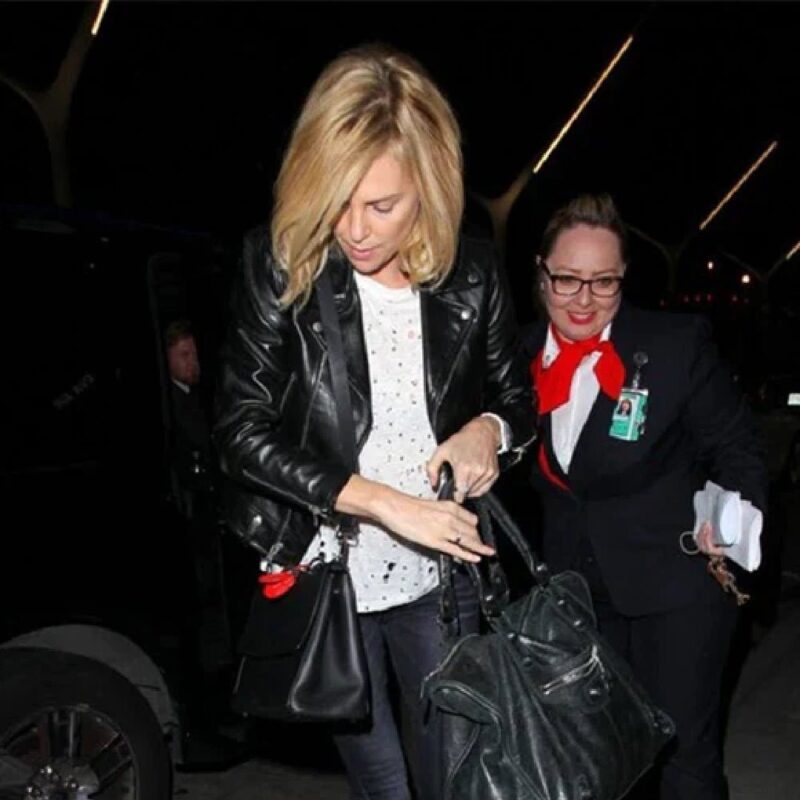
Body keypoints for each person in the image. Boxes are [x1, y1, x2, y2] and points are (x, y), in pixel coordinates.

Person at [214, 44, 534, 800]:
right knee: (385, 785)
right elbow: (240, 431)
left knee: (453, 777)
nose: (354, 229)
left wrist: (488, 430)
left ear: (429, 185)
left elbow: (519, 403)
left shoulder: (472, 273)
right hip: (331, 575)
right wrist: (386, 504)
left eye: (382, 206)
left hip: (441, 576)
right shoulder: (282, 262)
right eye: (338, 201)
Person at [522, 193, 767, 800]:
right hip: (577, 594)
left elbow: (737, 446)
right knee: (603, 759)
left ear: (623, 277)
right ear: (542, 273)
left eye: (603, 282)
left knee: (682, 756)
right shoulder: (517, 354)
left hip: (676, 586)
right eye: (567, 279)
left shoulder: (675, 344)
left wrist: (730, 517)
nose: (584, 299)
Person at [164, 319, 214, 507]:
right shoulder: (173, 402)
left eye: (194, 354)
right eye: (185, 355)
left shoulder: (194, 394)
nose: (193, 361)